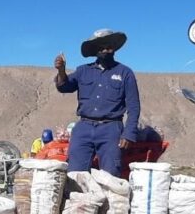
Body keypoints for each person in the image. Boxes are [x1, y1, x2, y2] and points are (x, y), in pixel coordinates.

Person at [53, 29, 140, 177]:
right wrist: (61, 71)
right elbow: (64, 87)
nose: (106, 49)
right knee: (75, 173)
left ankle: (109, 200)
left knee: (110, 174)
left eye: (109, 46)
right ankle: (79, 200)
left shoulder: (125, 73)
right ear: (95, 49)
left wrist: (128, 134)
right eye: (102, 46)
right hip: (83, 128)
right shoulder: (82, 71)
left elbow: (134, 107)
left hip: (111, 128)